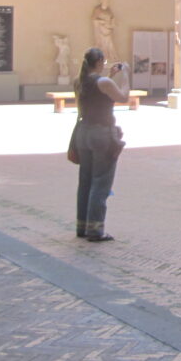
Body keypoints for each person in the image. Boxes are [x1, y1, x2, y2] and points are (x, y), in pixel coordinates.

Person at [73, 47, 129, 242]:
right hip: (101, 134)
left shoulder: (80, 81)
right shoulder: (103, 82)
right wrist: (125, 76)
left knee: (86, 181)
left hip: (83, 133)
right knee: (101, 182)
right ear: (99, 62)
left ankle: (82, 226)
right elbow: (123, 97)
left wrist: (110, 75)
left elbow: (98, 90)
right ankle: (96, 230)